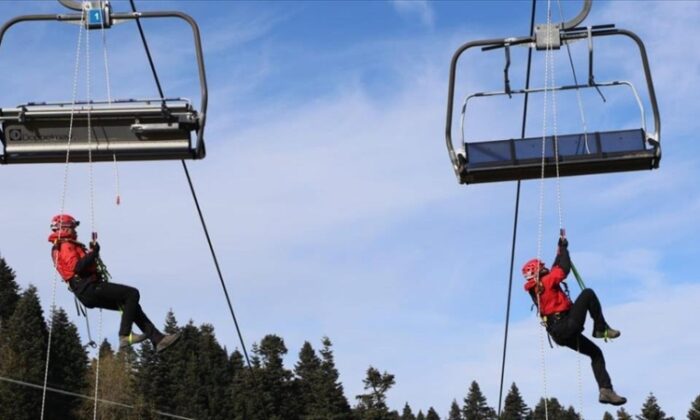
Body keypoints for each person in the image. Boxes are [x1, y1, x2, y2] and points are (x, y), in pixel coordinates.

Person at [48, 213, 180, 353]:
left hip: (85, 291)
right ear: (65, 228)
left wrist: (92, 254)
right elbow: (77, 267)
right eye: (73, 227)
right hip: (89, 288)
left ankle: (158, 339)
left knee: (130, 305)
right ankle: (125, 335)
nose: (75, 231)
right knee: (132, 294)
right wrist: (94, 253)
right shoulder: (66, 245)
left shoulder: (60, 246)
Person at [522, 236, 627, 406]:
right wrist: (564, 250)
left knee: (595, 353)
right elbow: (563, 268)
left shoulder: (538, 288)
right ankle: (601, 328)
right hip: (566, 325)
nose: (546, 268)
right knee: (588, 294)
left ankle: (605, 390)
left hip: (561, 332)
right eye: (543, 267)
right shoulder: (546, 282)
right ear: (538, 271)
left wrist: (560, 249)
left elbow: (557, 266)